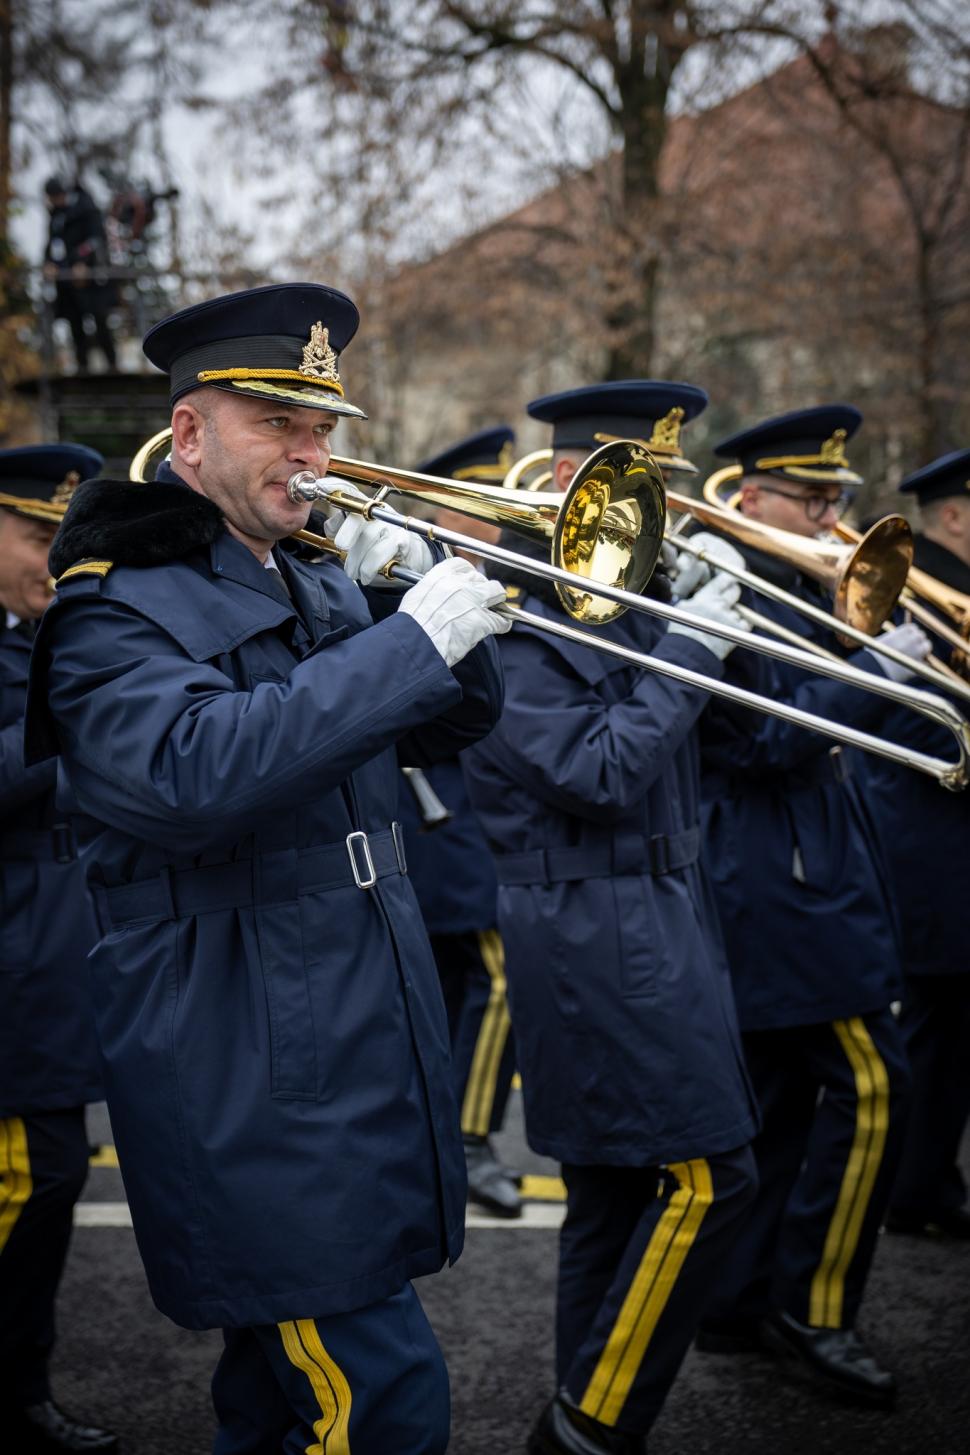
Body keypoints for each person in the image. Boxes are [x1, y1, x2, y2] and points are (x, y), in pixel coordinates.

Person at [26, 284, 508, 1455]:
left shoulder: (310, 571)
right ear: (189, 435)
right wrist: (406, 641)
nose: (312, 454)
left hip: (345, 1029)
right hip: (243, 1047)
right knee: (378, 1402)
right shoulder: (113, 603)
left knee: (277, 1393)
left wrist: (426, 596)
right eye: (276, 425)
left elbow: (442, 730)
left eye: (323, 427)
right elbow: (192, 776)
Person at [463, 382, 760, 1455]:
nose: (655, 513)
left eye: (660, 491)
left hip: (660, 915)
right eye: (633, 490)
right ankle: (592, 1424)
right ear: (564, 486)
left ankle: (584, 1415)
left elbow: (749, 747)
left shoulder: (633, 602)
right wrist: (692, 650)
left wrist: (726, 624)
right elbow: (598, 771)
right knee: (708, 1179)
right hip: (594, 927)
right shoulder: (510, 620)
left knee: (610, 1196)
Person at [691, 405, 929, 1407]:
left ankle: (741, 1300)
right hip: (775, 884)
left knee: (783, 1099)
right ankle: (814, 1307)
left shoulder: (799, 584)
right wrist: (880, 666)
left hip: (803, 873)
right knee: (875, 1088)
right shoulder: (732, 588)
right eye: (811, 496)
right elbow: (763, 743)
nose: (833, 516)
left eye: (837, 496)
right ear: (751, 498)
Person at [0, 444, 118, 1453]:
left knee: (50, 1187)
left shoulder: (60, 638)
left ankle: (22, 1388)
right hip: (8, 993)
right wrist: (73, 718)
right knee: (22, 1189)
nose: (57, 560)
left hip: (55, 980)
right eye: (40, 537)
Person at [401, 426, 521, 1219]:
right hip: (439, 821)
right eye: (489, 506)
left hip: (466, 820)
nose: (503, 522)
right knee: (499, 974)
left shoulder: (502, 575)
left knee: (451, 984)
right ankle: (470, 1136)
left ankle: (442, 1135)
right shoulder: (414, 571)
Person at [873, 451, 970, 1239]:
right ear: (955, 514)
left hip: (945, 842)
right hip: (929, 842)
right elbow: (901, 726)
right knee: (933, 1030)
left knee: (949, 1032)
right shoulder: (912, 592)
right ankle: (913, 1184)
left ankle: (927, 1176)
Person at [43, 177, 118, 373]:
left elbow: (95, 239)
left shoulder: (86, 208)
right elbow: (51, 245)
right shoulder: (55, 217)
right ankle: (82, 367)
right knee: (74, 324)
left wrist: (83, 263)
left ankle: (112, 366)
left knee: (100, 320)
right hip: (66, 281)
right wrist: (49, 264)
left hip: (91, 278)